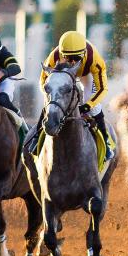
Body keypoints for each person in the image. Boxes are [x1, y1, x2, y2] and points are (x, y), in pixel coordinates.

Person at [35, 30, 114, 159]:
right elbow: (43, 82)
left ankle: (106, 141)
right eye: (67, 58)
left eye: (76, 58)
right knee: (52, 105)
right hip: (63, 75)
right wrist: (49, 100)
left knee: (94, 107)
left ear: (83, 53)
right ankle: (37, 138)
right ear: (61, 54)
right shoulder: (53, 58)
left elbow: (102, 89)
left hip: (87, 74)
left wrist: (88, 106)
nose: (72, 62)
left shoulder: (94, 59)